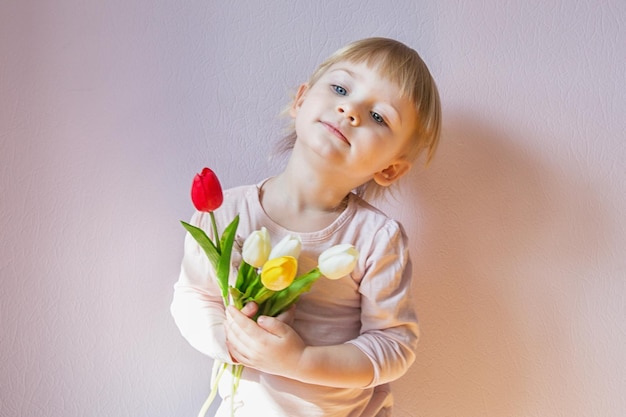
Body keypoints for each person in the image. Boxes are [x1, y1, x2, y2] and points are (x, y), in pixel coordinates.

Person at [171, 37, 441, 417]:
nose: (350, 110)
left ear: (389, 168)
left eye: (379, 116)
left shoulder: (376, 239)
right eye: (340, 88)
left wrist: (299, 361)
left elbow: (393, 344)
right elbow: (193, 298)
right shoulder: (225, 214)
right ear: (301, 100)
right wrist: (234, 342)